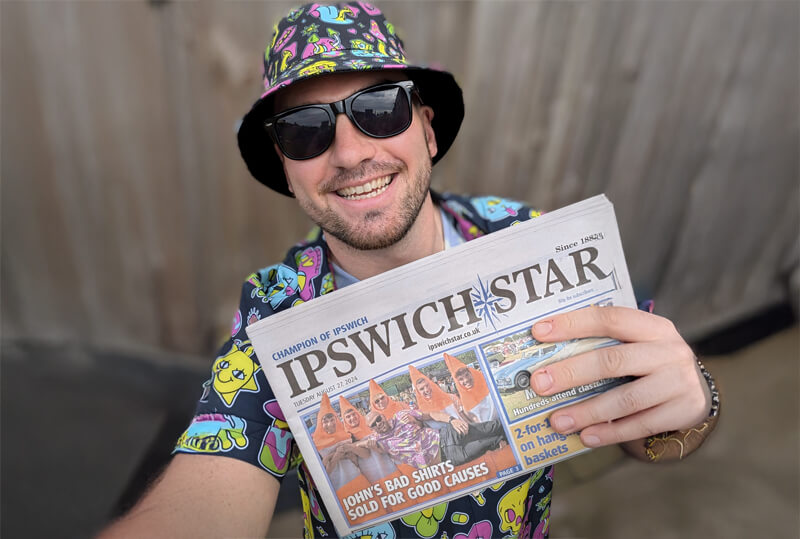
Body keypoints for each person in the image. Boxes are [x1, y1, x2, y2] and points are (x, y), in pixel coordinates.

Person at [101, 3, 719, 538]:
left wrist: (691, 406)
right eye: (304, 129)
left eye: (378, 107)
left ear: (426, 127)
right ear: (286, 168)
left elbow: (646, 425)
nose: (349, 153)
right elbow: (209, 490)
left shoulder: (530, 239)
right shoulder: (275, 312)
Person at [364, 409, 507, 470]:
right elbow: (355, 446)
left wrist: (452, 420)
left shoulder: (401, 415)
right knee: (488, 443)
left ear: (382, 415)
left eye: (378, 419)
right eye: (373, 424)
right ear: (372, 429)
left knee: (490, 427)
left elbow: (431, 415)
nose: (378, 423)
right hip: (448, 457)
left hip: (446, 435)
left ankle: (514, 419)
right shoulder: (379, 441)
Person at [443, 352, 497, 422]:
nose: (466, 380)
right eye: (461, 379)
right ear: (457, 383)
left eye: (467, 375)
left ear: (471, 373)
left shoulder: (489, 386)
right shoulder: (465, 406)